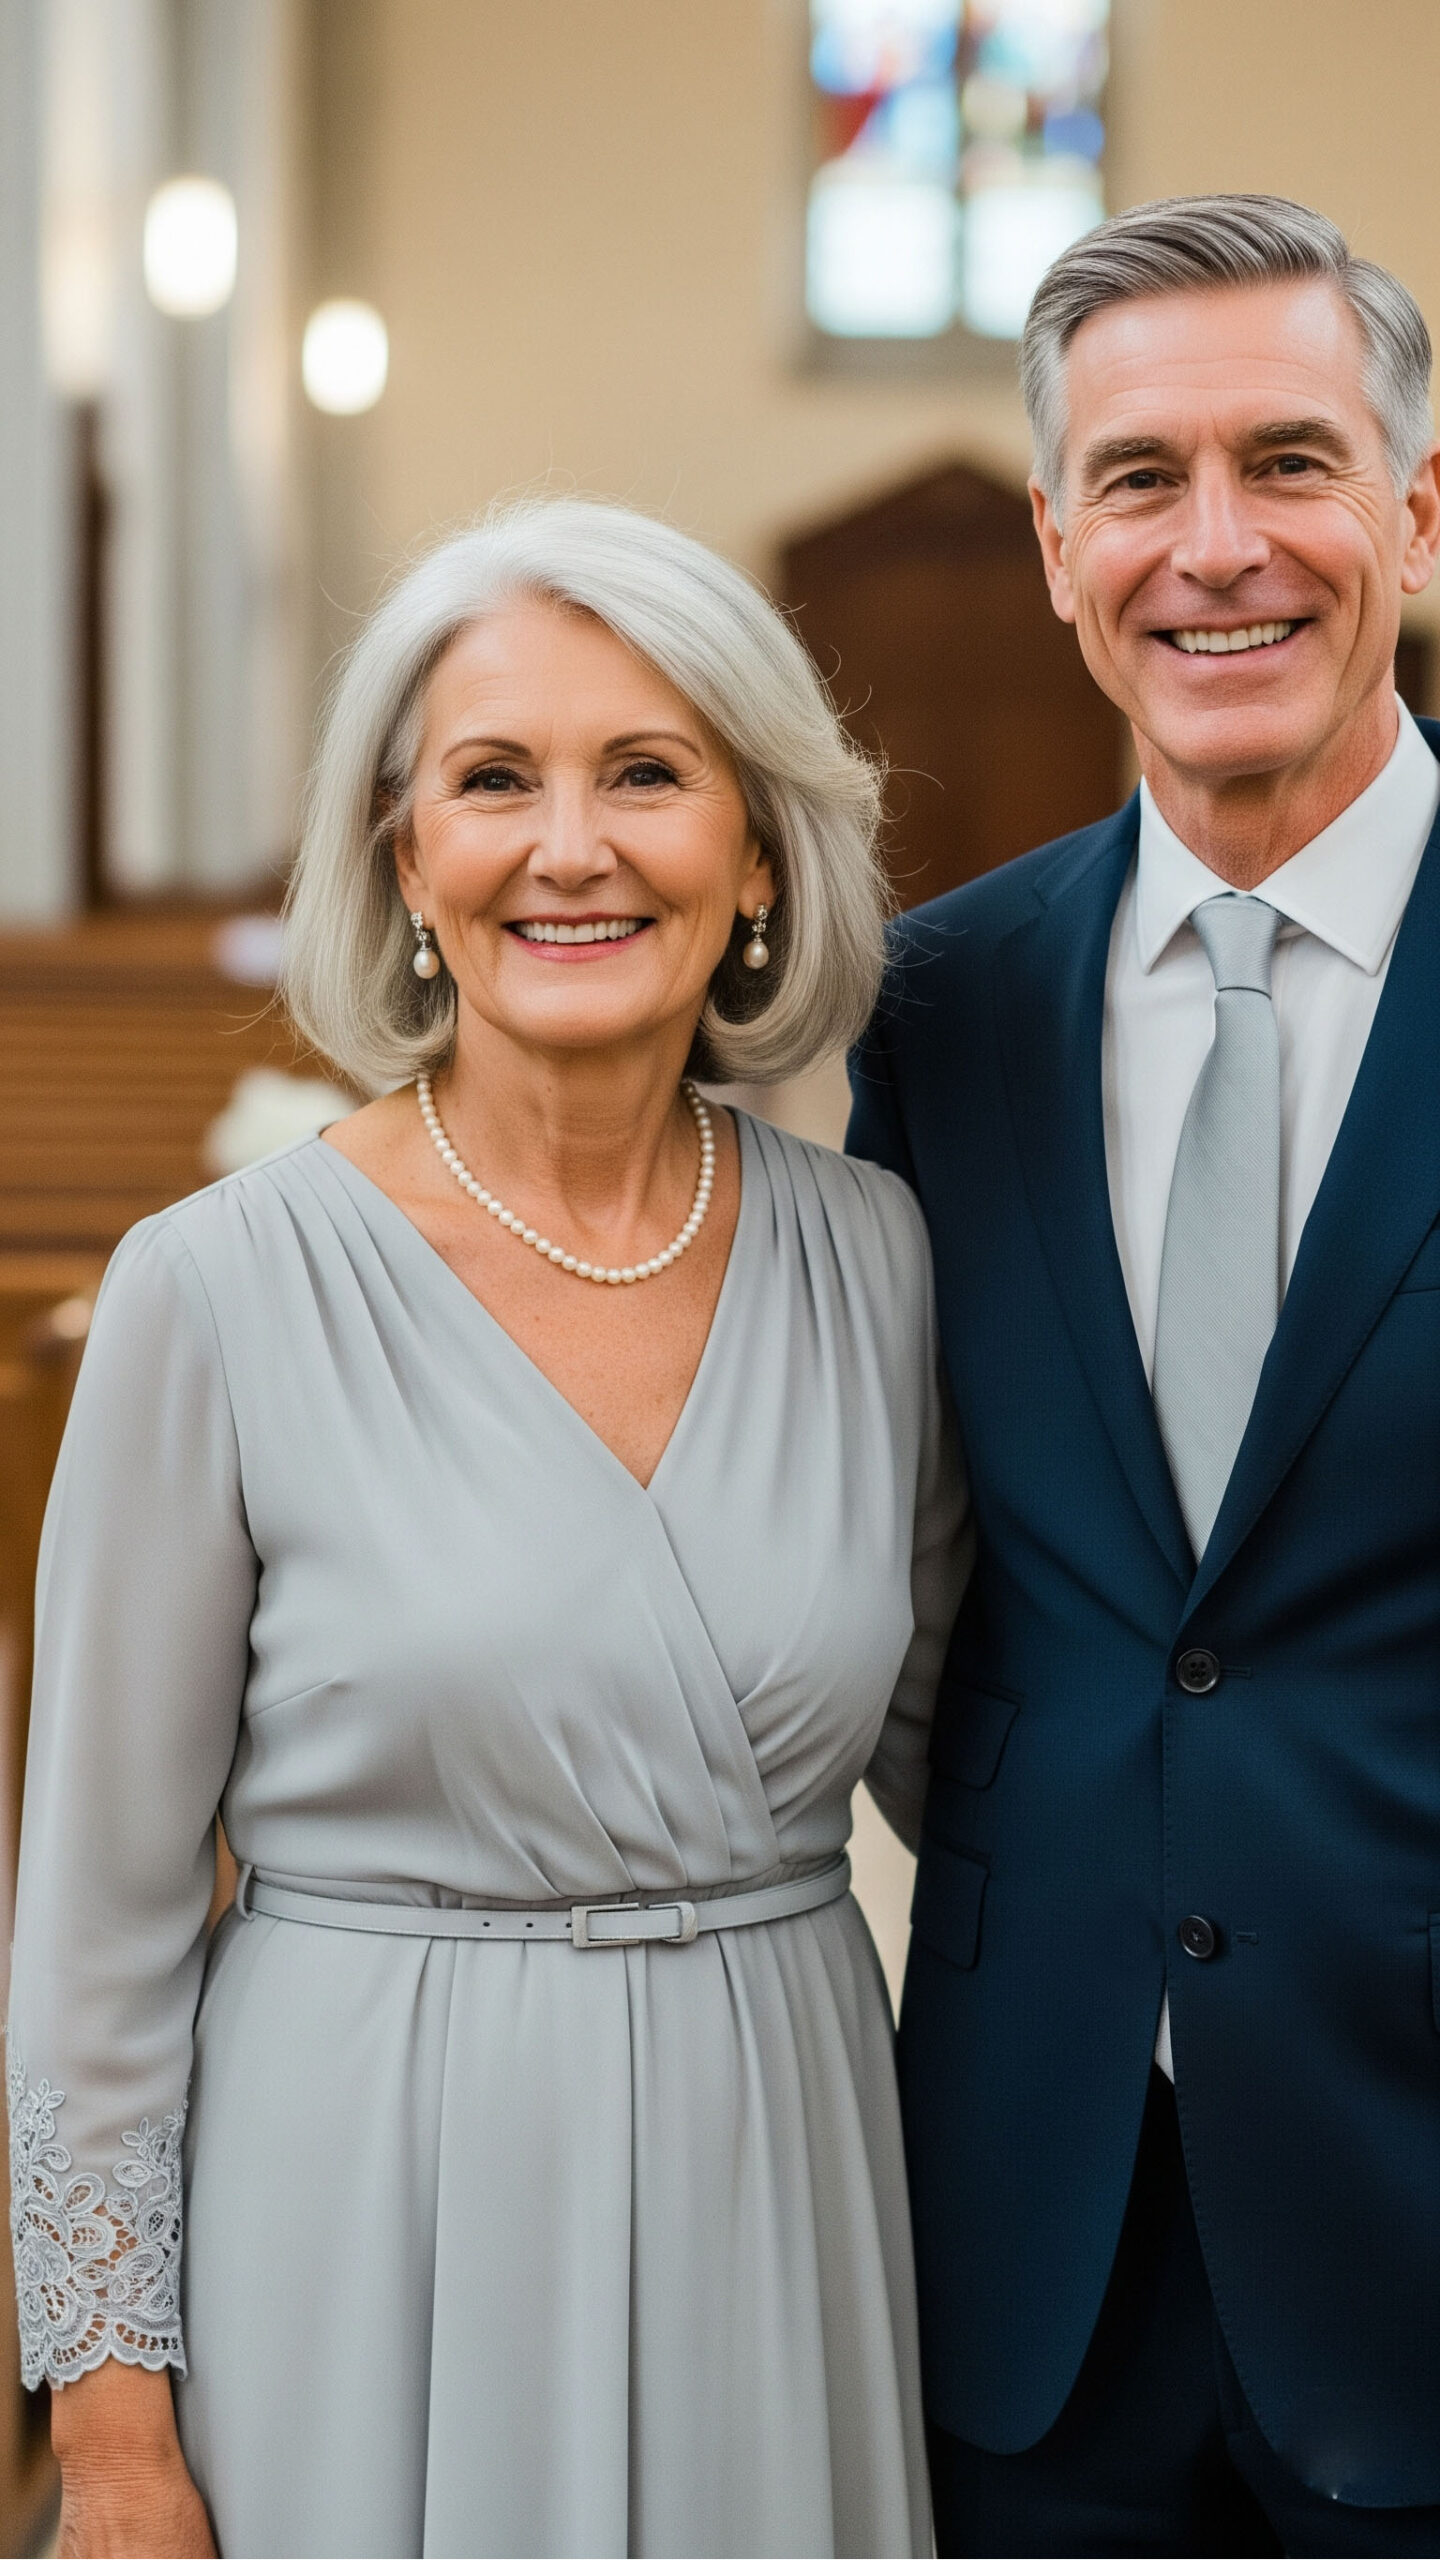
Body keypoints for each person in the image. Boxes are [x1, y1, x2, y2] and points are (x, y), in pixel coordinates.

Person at [7, 498, 968, 2558]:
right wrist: (114, 2442)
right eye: (496, 779)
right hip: (366, 2203)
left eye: (649, 773)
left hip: (776, 2188)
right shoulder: (218, 1288)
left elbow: (985, 1766)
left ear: (761, 852)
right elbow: (93, 1937)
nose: (571, 846)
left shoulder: (876, 1261)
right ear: (402, 856)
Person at [849, 194, 1440, 2557]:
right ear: (1055, 546)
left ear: (1417, 508)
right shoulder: (941, 1007)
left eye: (1289, 462)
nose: (1216, 549)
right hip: (1031, 2237)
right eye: (1140, 479)